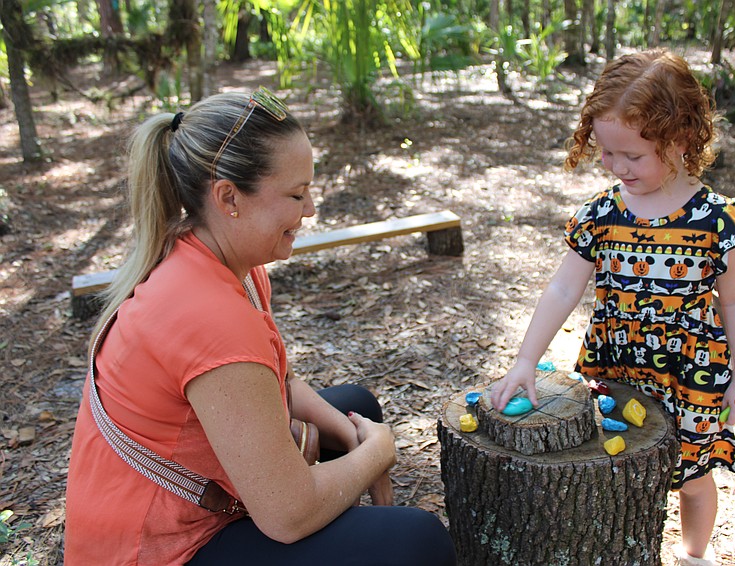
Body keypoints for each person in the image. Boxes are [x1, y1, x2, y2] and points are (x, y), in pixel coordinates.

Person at [65, 88, 457, 565]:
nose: (310, 209)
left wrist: (351, 434)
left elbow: (278, 384)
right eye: (295, 194)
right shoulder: (211, 318)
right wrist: (376, 453)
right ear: (229, 197)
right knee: (416, 540)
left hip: (191, 500)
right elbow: (287, 516)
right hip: (158, 550)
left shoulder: (226, 259)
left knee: (354, 408)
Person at [490, 50, 735, 566]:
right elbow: (562, 290)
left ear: (680, 140)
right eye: (607, 154)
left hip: (691, 372)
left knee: (693, 476)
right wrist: (525, 360)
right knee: (617, 465)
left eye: (632, 156)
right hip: (617, 366)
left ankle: (693, 555)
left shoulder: (717, 220)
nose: (616, 167)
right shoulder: (602, 213)